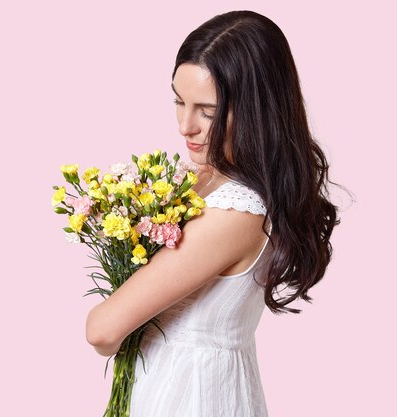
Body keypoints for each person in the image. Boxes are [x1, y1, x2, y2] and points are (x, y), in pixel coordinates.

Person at [85, 10, 343, 417]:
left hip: (192, 397)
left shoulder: (235, 211)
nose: (185, 125)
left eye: (206, 110)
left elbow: (102, 330)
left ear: (257, 109)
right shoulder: (210, 182)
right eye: (178, 100)